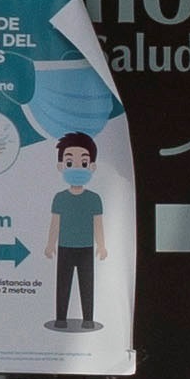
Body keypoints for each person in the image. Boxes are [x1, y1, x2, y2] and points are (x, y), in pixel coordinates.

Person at [49, 128, 108, 332]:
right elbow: (55, 223)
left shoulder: (94, 199)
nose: (76, 167)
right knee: (63, 284)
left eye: (83, 162)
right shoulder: (59, 198)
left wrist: (102, 246)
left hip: (86, 247)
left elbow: (98, 224)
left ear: (91, 166)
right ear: (61, 166)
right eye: (69, 162)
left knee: (87, 284)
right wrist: (50, 244)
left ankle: (88, 319)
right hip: (64, 247)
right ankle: (60, 319)